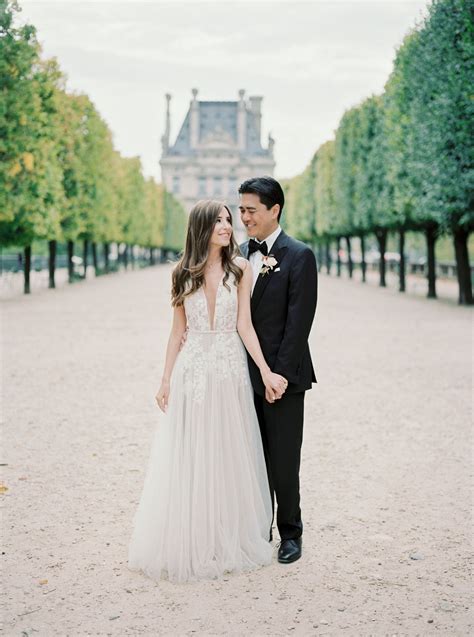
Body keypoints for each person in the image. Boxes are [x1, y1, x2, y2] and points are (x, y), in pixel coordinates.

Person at [127, 200, 288, 583]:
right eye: (219, 220)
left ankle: (226, 535)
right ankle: (194, 536)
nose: (227, 226)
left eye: (229, 220)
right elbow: (176, 331)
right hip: (194, 368)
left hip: (230, 366)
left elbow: (245, 326)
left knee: (229, 450)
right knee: (193, 451)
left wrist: (265, 371)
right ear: (202, 226)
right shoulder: (181, 272)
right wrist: (165, 379)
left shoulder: (241, 269)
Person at [239, 176, 318, 564]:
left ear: (275, 210)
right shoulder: (235, 254)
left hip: (284, 377)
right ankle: (256, 530)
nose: (244, 218)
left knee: (284, 462)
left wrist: (279, 376)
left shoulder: (299, 255)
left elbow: (299, 323)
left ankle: (291, 533)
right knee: (248, 458)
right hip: (239, 377)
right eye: (241, 210)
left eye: (251, 210)